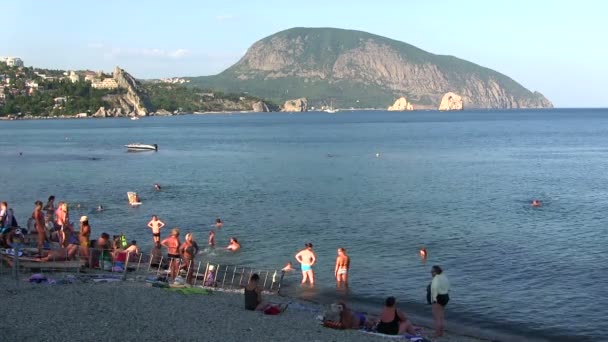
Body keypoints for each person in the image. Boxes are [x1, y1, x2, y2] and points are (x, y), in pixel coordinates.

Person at [430, 265, 450, 337]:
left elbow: (434, 288)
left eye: (432, 272)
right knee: (441, 316)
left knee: (437, 317)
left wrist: (434, 300)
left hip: (438, 298)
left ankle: (437, 334)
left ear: (436, 272)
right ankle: (441, 333)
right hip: (445, 296)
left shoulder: (436, 279)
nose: (431, 273)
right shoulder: (444, 277)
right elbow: (448, 287)